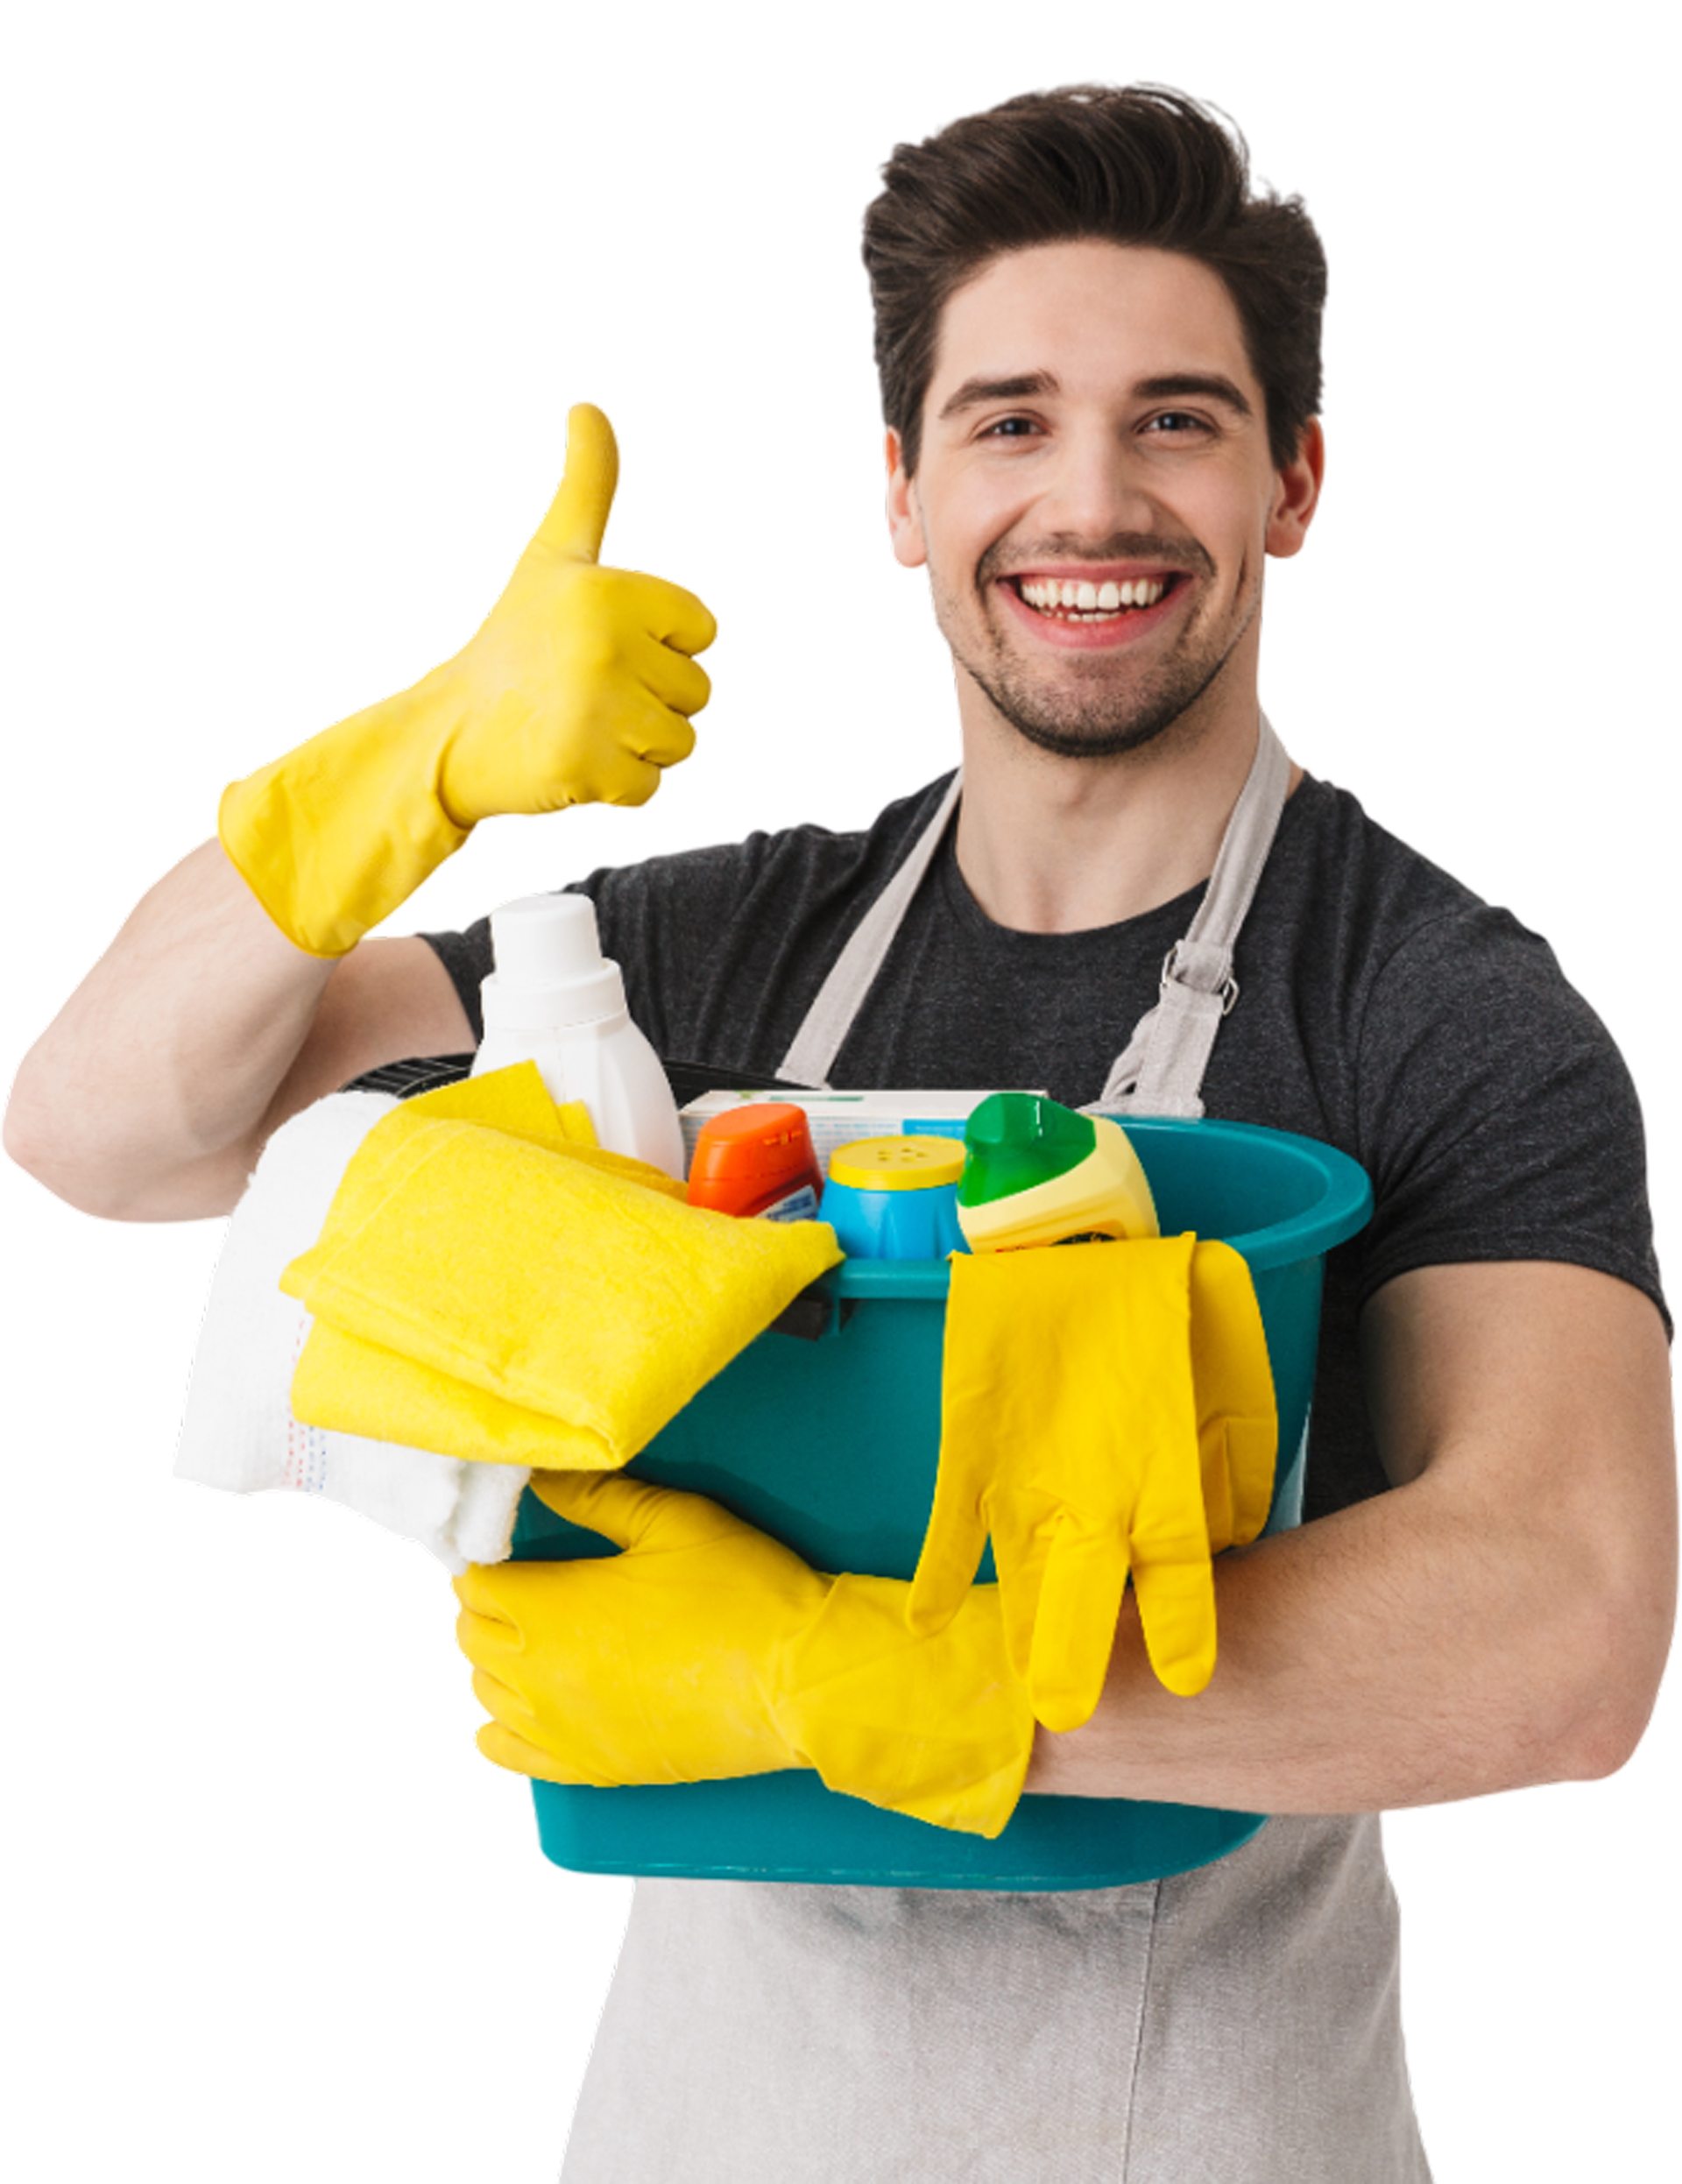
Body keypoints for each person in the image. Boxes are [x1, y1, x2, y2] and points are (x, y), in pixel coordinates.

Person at [3, 79, 1673, 2181]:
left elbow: (1567, 1628)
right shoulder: (715, 953)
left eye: (1176, 418)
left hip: (1211, 2127)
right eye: (1006, 422)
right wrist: (396, 773)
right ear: (900, 491)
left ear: (1295, 482)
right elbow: (104, 1138)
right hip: (708, 2116)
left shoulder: (1432, 1000)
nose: (1092, 499)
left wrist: (844, 1676)